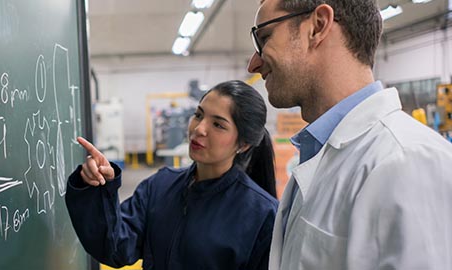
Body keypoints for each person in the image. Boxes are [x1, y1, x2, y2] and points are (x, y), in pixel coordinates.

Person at [247, 0, 452, 269]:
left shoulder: (409, 161)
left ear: (317, 26)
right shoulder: (319, 154)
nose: (254, 63)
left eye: (264, 37)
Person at [65, 80, 278, 269]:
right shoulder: (160, 186)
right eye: (198, 115)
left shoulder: (262, 214)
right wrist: (98, 185)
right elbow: (115, 248)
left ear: (243, 144)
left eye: (218, 124)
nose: (199, 129)